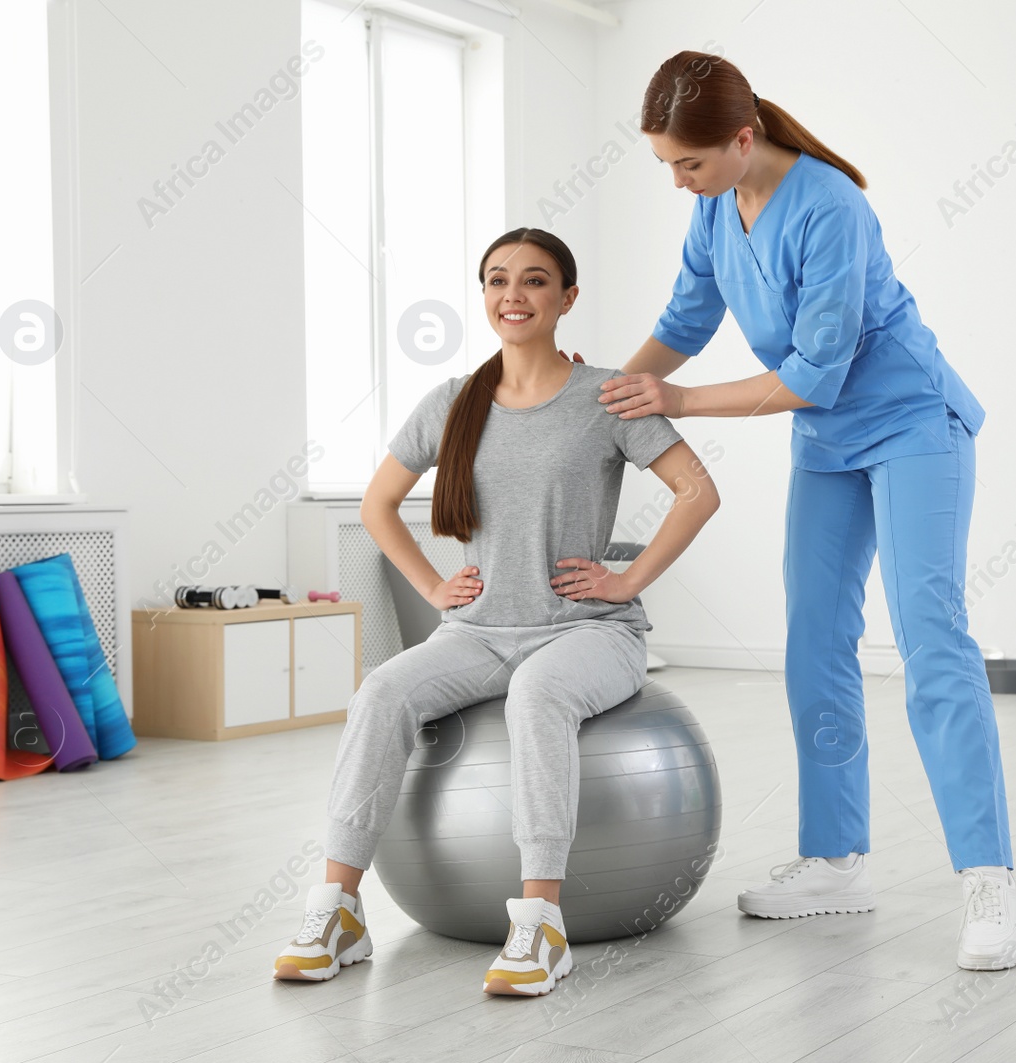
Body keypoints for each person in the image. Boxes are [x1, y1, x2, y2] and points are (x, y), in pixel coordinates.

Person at [593, 51, 1016, 970]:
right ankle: (835, 859)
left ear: (741, 140)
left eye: (690, 164)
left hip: (911, 422)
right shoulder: (717, 208)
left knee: (930, 635)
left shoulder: (830, 207)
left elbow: (809, 376)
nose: (678, 183)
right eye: (666, 165)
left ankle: (989, 882)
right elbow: (685, 318)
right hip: (829, 442)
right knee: (814, 637)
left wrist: (673, 404)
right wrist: (608, 395)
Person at [272, 228, 721, 995]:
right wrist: (433, 586)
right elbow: (378, 503)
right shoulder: (452, 400)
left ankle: (541, 922)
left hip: (589, 631)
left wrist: (625, 579)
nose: (513, 293)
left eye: (536, 280)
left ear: (567, 298)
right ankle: (339, 907)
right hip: (480, 630)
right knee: (381, 690)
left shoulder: (606, 395)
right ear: (483, 296)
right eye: (497, 279)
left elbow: (697, 490)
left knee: (538, 692)